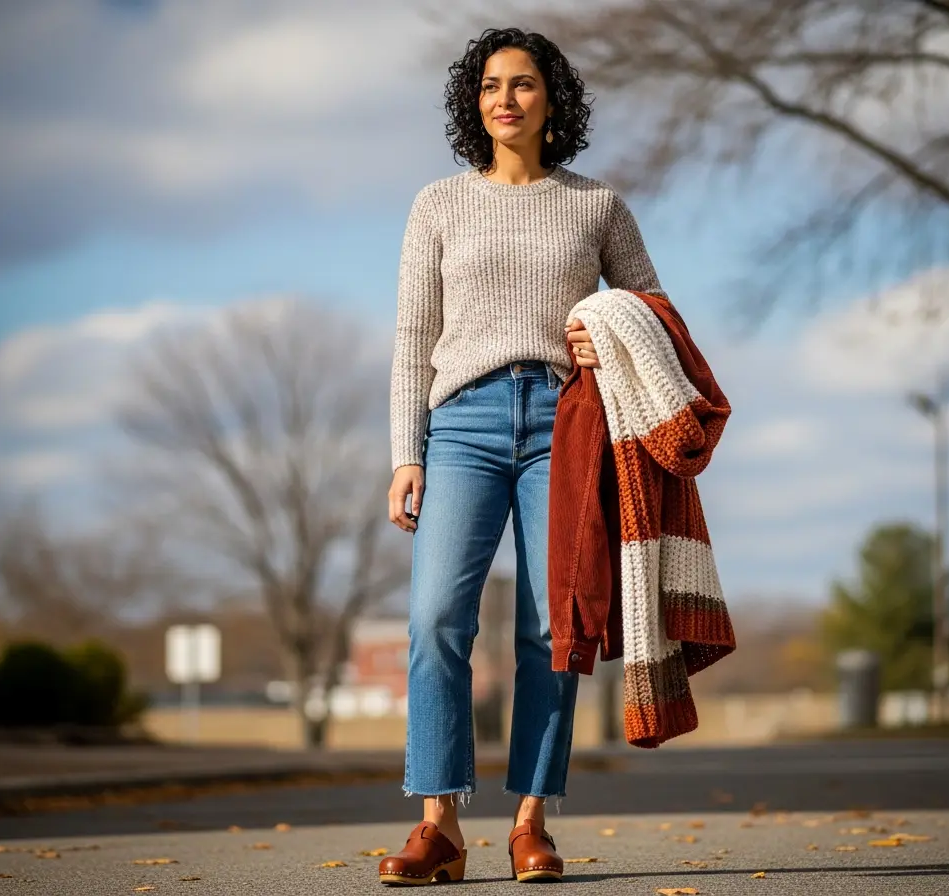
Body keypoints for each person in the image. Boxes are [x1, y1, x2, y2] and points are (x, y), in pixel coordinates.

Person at [380, 26, 665, 886]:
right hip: (460, 424)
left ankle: (530, 823)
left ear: (552, 99)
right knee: (436, 619)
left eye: (524, 84)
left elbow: (652, 308)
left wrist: (607, 330)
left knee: (552, 629)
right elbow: (412, 336)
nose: (506, 98)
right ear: (476, 103)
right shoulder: (438, 204)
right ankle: (439, 825)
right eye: (491, 85)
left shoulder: (596, 205)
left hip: (564, 425)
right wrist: (406, 452)